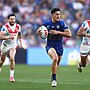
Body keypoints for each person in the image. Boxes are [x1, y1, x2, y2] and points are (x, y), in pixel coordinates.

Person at [36, 8, 72, 87]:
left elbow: (69, 34)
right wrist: (39, 32)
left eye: (59, 14)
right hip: (50, 45)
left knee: (57, 64)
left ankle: (53, 74)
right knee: (55, 58)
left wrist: (57, 32)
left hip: (59, 46)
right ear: (52, 15)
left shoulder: (62, 24)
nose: (58, 16)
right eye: (56, 14)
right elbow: (39, 31)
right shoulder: (47, 23)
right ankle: (54, 79)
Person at [0, 13, 22, 82]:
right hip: (5, 46)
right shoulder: (5, 27)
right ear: (8, 19)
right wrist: (9, 37)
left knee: (12, 58)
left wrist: (20, 41)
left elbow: (19, 34)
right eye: (11, 19)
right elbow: (1, 37)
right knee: (1, 61)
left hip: (13, 45)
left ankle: (11, 76)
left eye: (14, 19)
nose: (12, 20)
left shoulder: (18, 26)